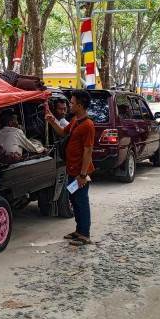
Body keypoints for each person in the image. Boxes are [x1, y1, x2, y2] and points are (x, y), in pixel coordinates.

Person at [45, 90, 95, 246]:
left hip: (80, 172)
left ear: (80, 105)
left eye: (72, 103)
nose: (69, 105)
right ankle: (79, 230)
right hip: (71, 169)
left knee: (81, 202)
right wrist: (52, 120)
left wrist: (82, 174)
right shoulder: (74, 120)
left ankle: (85, 234)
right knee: (74, 199)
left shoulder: (88, 125)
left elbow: (88, 151)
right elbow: (62, 132)